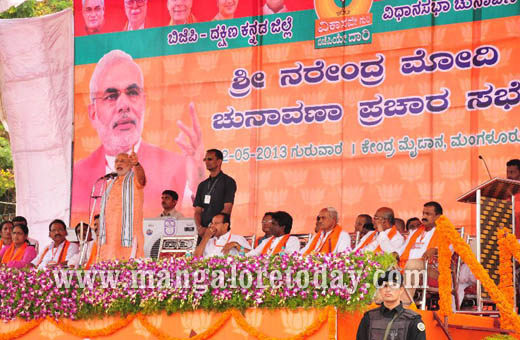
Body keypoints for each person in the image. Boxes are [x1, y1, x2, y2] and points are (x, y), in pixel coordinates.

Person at [72, 49, 204, 221]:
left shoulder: (176, 167)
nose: (124, 105)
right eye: (111, 96)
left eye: (132, 93)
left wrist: (198, 180)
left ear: (143, 101)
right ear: (93, 113)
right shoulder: (76, 176)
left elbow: (194, 224)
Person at [98, 151, 145, 261]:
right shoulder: (110, 183)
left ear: (130, 164)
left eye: (123, 161)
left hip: (128, 234)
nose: (119, 164)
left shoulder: (134, 179)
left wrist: (137, 165)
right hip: (110, 235)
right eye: (117, 161)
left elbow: (142, 180)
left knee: (128, 266)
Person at [356, 270, 426, 340]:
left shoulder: (413, 320)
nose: (388, 290)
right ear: (380, 290)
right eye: (385, 286)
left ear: (401, 290)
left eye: (393, 285)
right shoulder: (369, 318)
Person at [396, 201, 442, 304]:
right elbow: (401, 249)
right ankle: (377, 305)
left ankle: (403, 305)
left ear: (438, 217)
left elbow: (450, 250)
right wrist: (395, 254)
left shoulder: (445, 232)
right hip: (407, 266)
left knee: (413, 264)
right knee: (384, 265)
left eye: (428, 214)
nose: (424, 217)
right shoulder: (415, 232)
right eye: (423, 213)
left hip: (431, 268)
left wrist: (436, 249)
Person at [193, 149, 237, 237]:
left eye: (210, 159)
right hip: (203, 232)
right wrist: (199, 228)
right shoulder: (202, 185)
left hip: (219, 232)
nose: (206, 162)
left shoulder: (228, 182)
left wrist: (213, 227)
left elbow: (227, 209)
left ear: (219, 161)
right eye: (205, 159)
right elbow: (197, 211)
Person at [227, 211, 299, 256]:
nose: (270, 226)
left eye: (273, 224)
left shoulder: (292, 240)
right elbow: (253, 254)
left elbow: (290, 256)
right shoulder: (267, 241)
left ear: (282, 227)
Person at [506, 159, 520, 238]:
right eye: (507, 172)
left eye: (512, 172)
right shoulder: (504, 194)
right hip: (508, 240)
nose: (509, 176)